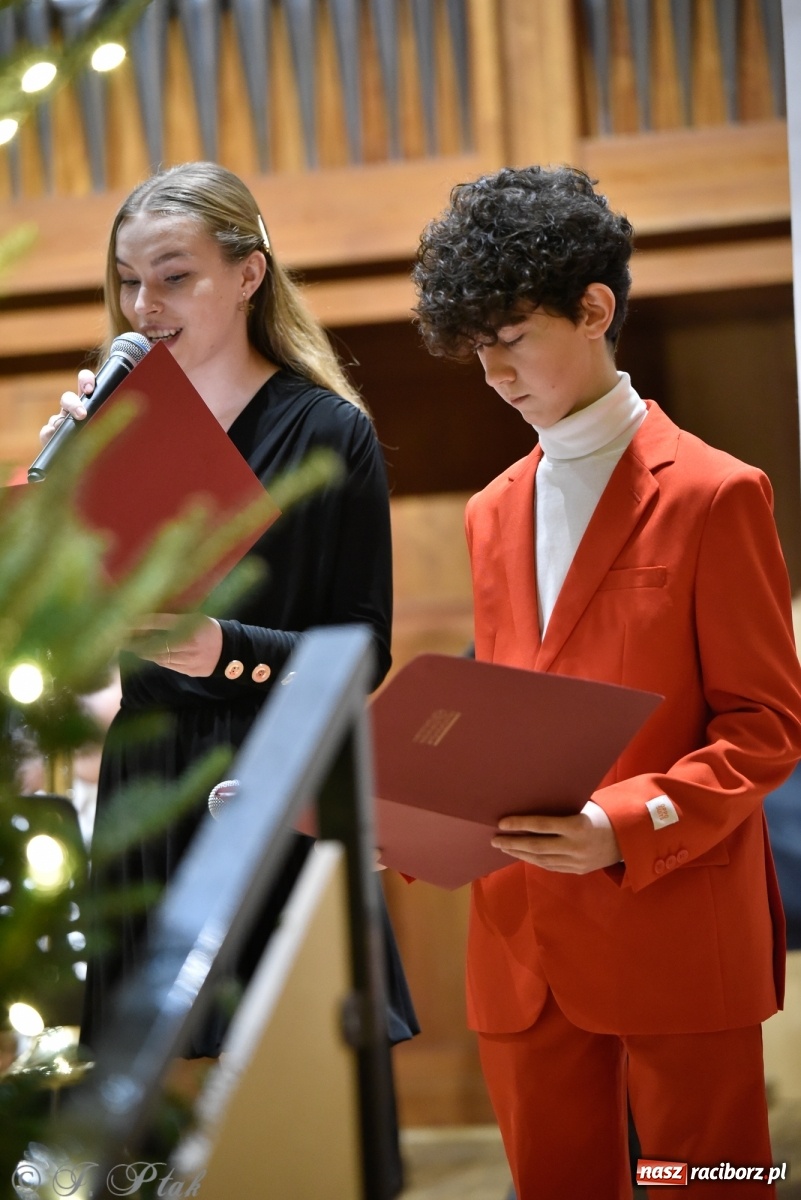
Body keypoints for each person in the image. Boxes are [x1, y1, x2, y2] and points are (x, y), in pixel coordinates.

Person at [412, 165, 801, 1199]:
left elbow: (767, 728)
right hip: (519, 933)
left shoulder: (718, 495)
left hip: (672, 917)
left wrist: (621, 826)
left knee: (708, 1187)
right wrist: (414, 813)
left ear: (594, 310)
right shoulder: (492, 508)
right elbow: (517, 711)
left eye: (510, 337)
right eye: (475, 348)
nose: (493, 372)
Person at [40, 162, 417, 1144]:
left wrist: (225, 650)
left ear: (250, 275)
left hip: (277, 778)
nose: (143, 304)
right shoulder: (113, 427)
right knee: (148, 1113)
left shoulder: (328, 431)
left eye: (174, 276)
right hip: (146, 782)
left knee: (293, 1109)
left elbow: (363, 650)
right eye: (129, 280)